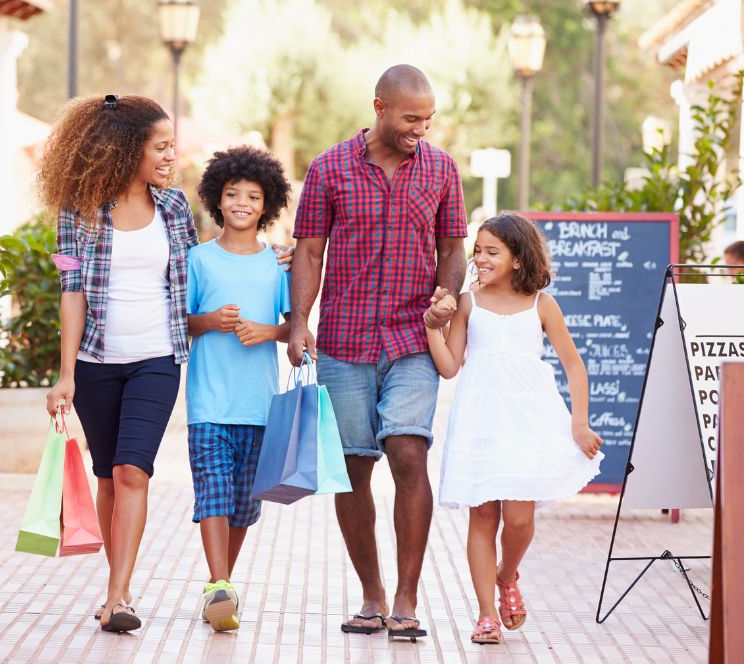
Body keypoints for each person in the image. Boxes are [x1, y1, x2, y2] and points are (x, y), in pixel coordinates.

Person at [38, 94, 292, 633]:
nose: (171, 155)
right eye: (161, 145)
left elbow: (211, 265)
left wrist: (274, 259)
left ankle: (118, 594)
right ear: (128, 149)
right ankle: (117, 589)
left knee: (133, 470)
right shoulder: (76, 212)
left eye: (172, 145)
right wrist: (65, 374)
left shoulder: (175, 208)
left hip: (158, 359)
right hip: (95, 362)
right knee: (107, 475)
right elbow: (70, 290)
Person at [288, 64, 467, 639]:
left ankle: (408, 600)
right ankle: (372, 594)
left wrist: (446, 297)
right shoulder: (328, 168)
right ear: (379, 107)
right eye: (411, 118)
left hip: (414, 338)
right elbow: (309, 252)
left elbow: (453, 249)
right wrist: (298, 324)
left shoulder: (441, 169)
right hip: (345, 341)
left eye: (428, 119)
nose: (422, 128)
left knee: (410, 452)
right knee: (355, 468)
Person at [425, 212, 603, 645]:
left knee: (519, 519)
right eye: (478, 251)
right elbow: (449, 367)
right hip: (479, 419)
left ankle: (507, 576)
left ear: (518, 258)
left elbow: (573, 364)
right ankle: (486, 614)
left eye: (492, 252)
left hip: (528, 419)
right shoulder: (468, 302)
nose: (480, 259)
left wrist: (579, 422)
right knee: (483, 516)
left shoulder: (542, 304)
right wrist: (433, 327)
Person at [186, 146, 292, 632]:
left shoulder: (279, 265)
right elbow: (181, 324)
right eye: (233, 193)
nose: (243, 202)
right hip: (208, 401)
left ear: (266, 204)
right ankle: (218, 584)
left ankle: (221, 585)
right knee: (213, 491)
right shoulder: (198, 259)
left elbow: (297, 329)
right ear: (217, 199)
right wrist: (210, 321)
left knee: (244, 506)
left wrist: (266, 331)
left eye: (253, 195)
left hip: (260, 404)